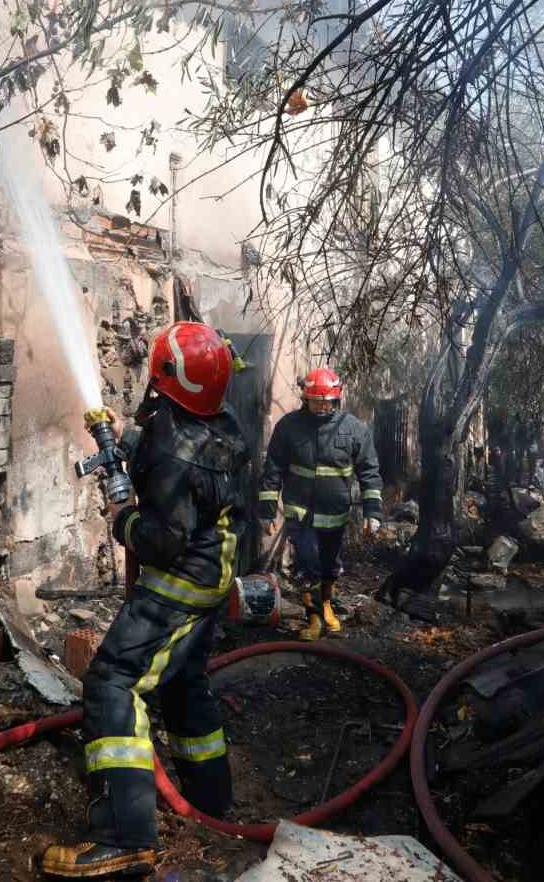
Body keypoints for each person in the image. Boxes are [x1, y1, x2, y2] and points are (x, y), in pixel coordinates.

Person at [42, 322, 248, 879]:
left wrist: (123, 519)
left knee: (112, 682)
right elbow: (173, 444)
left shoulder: (174, 451)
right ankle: (212, 800)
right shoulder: (218, 423)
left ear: (164, 377)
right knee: (183, 683)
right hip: (212, 579)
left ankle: (125, 837)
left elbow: (161, 538)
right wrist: (125, 439)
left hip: (176, 583)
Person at [256, 367, 383, 642]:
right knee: (307, 563)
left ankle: (326, 606)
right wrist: (266, 512)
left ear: (336, 399)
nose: (321, 406)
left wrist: (373, 511)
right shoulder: (289, 427)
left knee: (329, 564)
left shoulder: (353, 429)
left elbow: (369, 471)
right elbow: (273, 470)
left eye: (326, 401)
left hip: (335, 514)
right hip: (300, 512)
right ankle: (312, 616)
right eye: (315, 401)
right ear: (305, 399)